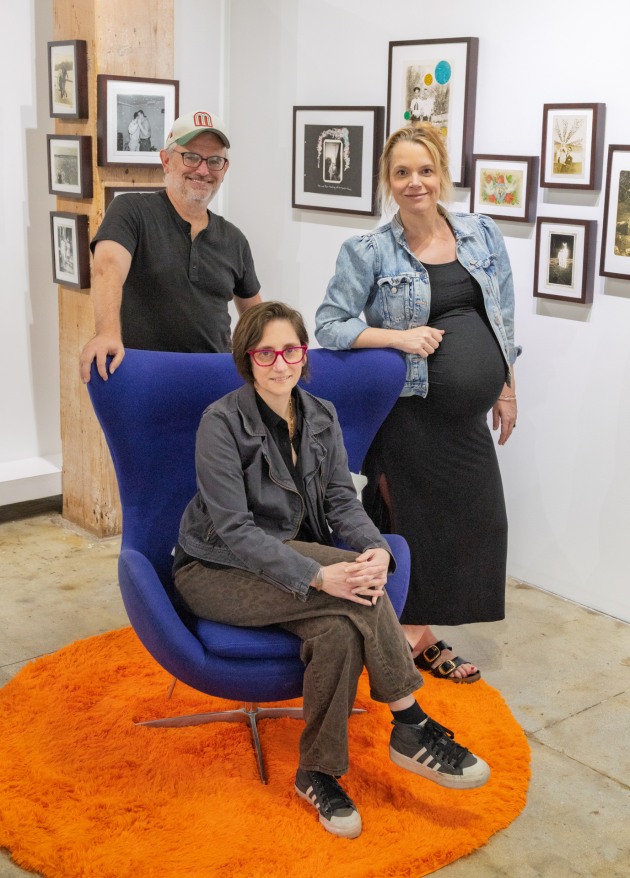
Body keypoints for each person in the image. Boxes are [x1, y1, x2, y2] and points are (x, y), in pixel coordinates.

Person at [173, 300, 491, 839]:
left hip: (286, 561)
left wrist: (376, 547)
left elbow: (343, 500)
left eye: (291, 350)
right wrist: (320, 576)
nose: (280, 364)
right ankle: (410, 722)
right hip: (214, 568)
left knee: (340, 629)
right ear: (246, 358)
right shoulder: (221, 423)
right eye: (266, 353)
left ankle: (316, 773)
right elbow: (235, 530)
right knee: (353, 583)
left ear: (304, 355)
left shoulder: (321, 415)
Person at [316, 124, 519, 684]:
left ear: (442, 174)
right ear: (388, 180)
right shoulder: (369, 251)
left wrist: (505, 387)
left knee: (480, 524)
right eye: (402, 172)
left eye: (425, 170)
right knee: (416, 530)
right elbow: (330, 325)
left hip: (464, 420)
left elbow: (501, 318)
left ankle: (413, 634)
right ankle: (407, 639)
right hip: (408, 416)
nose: (415, 182)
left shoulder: (481, 233)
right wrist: (398, 338)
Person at [79, 110, 262, 383]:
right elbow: (108, 268)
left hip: (215, 383)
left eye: (214, 161)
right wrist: (107, 333)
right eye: (191, 157)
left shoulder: (234, 239)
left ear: (225, 169)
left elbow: (255, 318)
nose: (203, 170)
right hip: (143, 379)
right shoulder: (132, 211)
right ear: (166, 160)